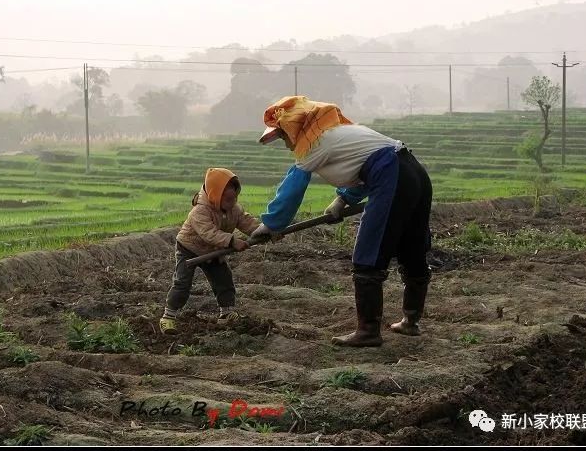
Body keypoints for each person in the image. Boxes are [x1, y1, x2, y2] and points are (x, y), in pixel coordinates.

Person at [250, 95, 433, 347]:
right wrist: (342, 201)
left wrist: (271, 224)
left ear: (293, 127)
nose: (285, 144)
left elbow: (292, 189)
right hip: (413, 172)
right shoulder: (339, 133)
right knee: (412, 247)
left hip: (392, 174)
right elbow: (362, 167)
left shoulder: (316, 142)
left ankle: (368, 331)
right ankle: (411, 322)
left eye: (283, 136)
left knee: (368, 255)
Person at [159, 167, 260, 335]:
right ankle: (168, 316)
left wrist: (265, 231)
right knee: (182, 283)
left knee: (224, 279)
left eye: (234, 198)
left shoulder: (234, 209)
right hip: (189, 249)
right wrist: (232, 241)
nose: (232, 202)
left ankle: (226, 313)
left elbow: (247, 222)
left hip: (214, 251)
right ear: (215, 194)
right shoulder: (199, 211)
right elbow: (208, 233)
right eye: (227, 199)